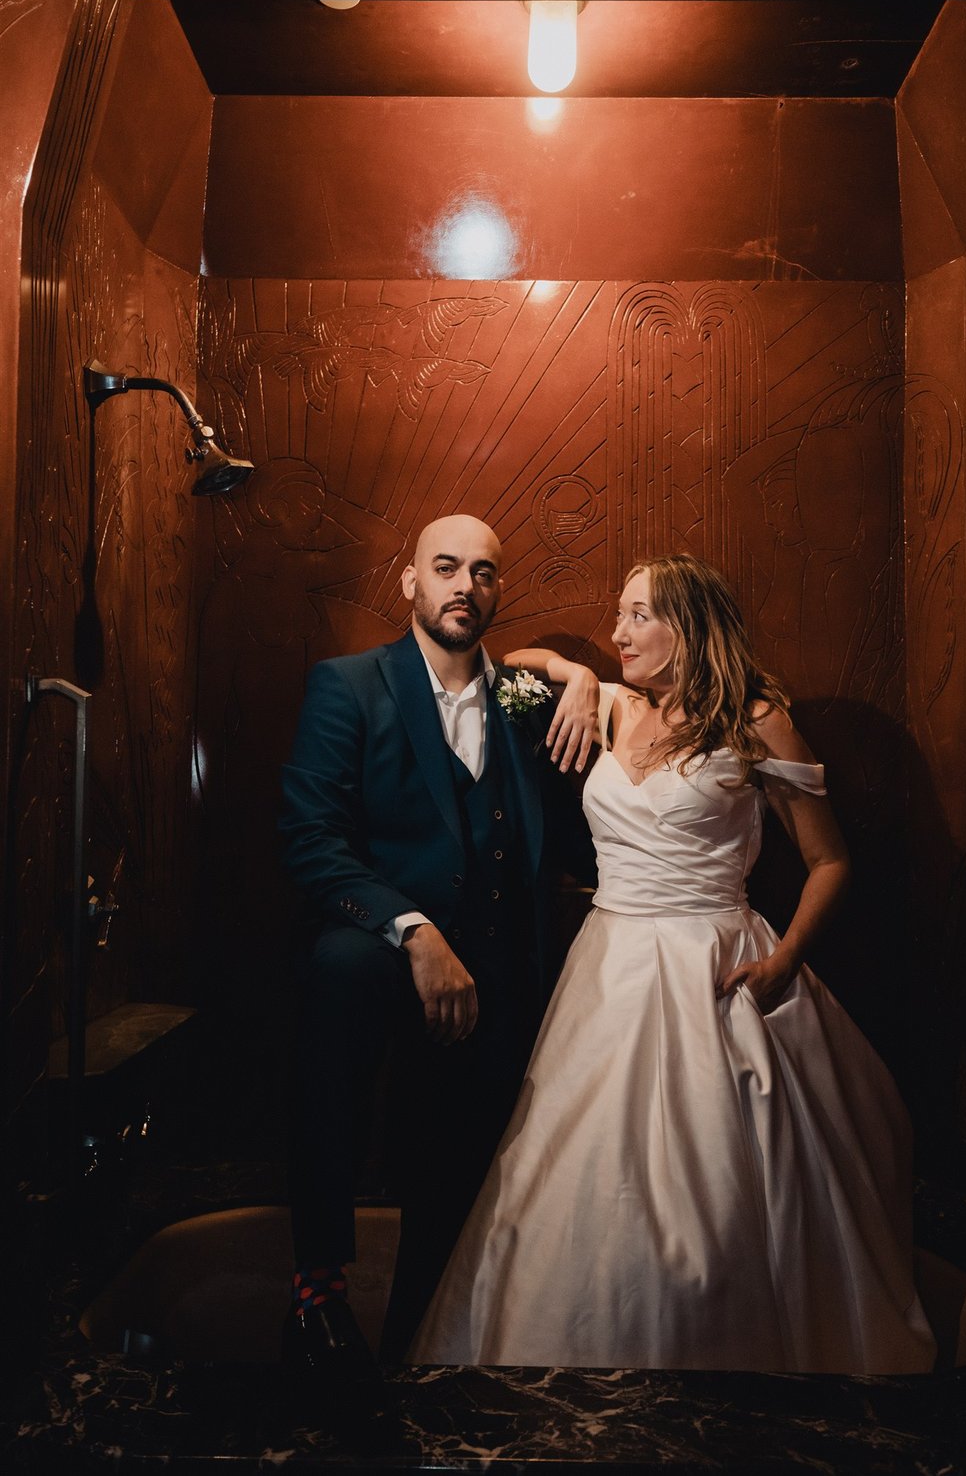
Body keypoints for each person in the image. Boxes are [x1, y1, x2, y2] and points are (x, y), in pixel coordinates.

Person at [409, 552, 937, 1374]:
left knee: (717, 1183)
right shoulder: (615, 707)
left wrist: (786, 962)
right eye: (618, 615)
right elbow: (511, 661)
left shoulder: (758, 722)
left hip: (715, 961)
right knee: (575, 1171)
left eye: (637, 615)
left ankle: (720, 1366)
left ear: (689, 624)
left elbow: (831, 862)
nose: (617, 633)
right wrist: (571, 675)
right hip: (610, 961)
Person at [278, 513, 598, 1386]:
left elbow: (574, 833)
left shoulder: (528, 702)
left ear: (499, 589)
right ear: (409, 582)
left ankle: (425, 1341)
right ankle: (318, 1291)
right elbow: (310, 840)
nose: (466, 585)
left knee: (459, 1163)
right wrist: (414, 933)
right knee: (336, 973)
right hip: (382, 951)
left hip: (500, 961)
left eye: (485, 572)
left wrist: (580, 674)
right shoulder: (350, 685)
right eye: (446, 568)